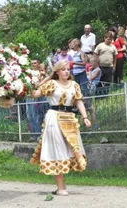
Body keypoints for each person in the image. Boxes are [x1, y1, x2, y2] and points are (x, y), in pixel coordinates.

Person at [30, 60, 91, 196]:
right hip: (54, 118)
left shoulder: (74, 85)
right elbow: (35, 94)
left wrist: (85, 117)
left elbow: (78, 100)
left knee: (70, 149)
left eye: (68, 69)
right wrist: (32, 83)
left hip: (69, 118)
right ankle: (60, 187)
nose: (66, 71)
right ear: (57, 71)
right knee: (57, 150)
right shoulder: (52, 84)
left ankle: (62, 184)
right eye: (63, 69)